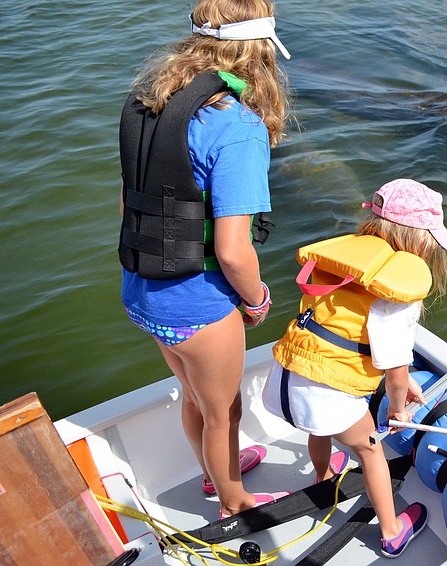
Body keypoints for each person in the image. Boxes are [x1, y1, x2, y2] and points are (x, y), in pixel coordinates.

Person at [118, 0, 292, 518]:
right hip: (196, 302)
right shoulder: (237, 126)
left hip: (140, 288)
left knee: (195, 397)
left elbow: (129, 202)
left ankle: (216, 475)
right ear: (260, 48)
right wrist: (258, 300)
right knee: (224, 412)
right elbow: (234, 251)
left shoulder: (148, 102)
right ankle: (234, 500)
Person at [262, 178, 447, 558]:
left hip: (283, 381)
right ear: (420, 242)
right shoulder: (394, 296)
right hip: (324, 398)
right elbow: (395, 372)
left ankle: (323, 479)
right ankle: (391, 531)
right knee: (370, 453)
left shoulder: (342, 267)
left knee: (319, 428)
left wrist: (406, 384)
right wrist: (399, 411)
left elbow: (342, 337)